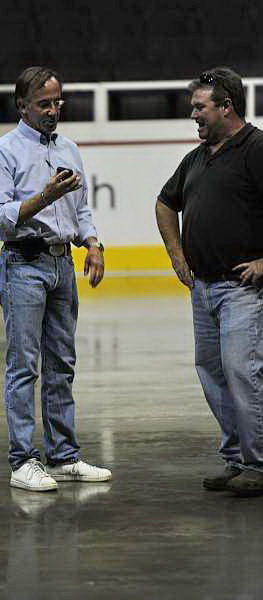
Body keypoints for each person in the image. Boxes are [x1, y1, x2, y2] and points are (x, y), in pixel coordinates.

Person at [0, 66, 112, 492]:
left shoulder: (70, 149)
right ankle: (22, 461)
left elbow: (82, 207)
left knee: (62, 364)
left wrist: (92, 243)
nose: (54, 110)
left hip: (62, 266)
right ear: (21, 106)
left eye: (58, 102)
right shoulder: (2, 152)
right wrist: (44, 197)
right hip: (23, 264)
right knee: (23, 367)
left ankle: (62, 456)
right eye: (44, 104)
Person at [156, 67, 263, 497]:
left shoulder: (256, 149)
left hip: (242, 291)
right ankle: (237, 459)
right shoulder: (198, 158)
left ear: (226, 107)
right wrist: (178, 257)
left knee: (243, 373)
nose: (193, 115)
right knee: (214, 375)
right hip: (204, 290)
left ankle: (259, 462)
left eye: (200, 107)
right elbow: (165, 205)